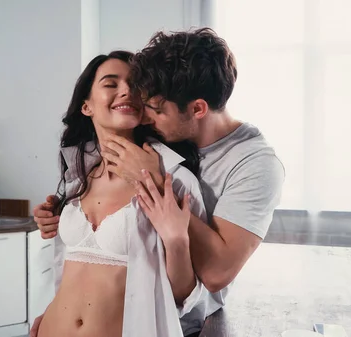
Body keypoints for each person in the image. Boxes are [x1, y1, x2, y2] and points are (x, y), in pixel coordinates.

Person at [34, 28, 285, 336]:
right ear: (86, 106)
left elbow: (214, 274)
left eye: (156, 108)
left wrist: (150, 181)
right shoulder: (90, 167)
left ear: (197, 109)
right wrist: (56, 218)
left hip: (175, 323)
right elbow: (74, 265)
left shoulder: (218, 169)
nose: (146, 113)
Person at [31, 50, 210, 337]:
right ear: (86, 106)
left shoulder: (173, 180)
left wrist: (177, 240)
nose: (126, 91)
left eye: (135, 85)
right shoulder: (76, 177)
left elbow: (184, 297)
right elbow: (72, 273)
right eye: (111, 84)